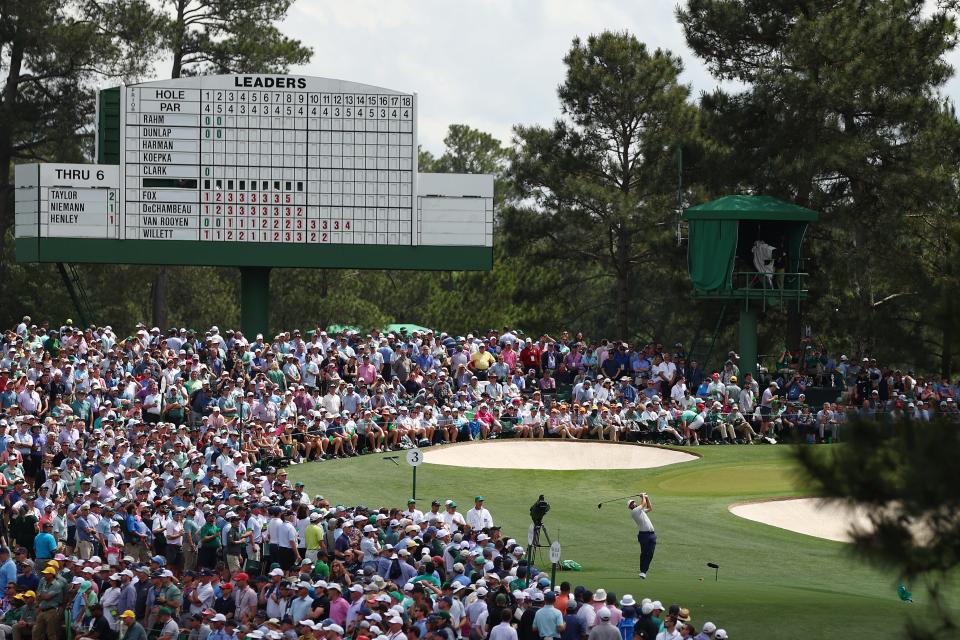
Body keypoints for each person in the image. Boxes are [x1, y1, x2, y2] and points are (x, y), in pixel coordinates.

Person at [628, 495, 656, 579]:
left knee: (650, 554)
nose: (633, 504)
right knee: (644, 553)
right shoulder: (634, 511)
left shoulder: (641, 511)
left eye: (633, 502)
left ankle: (644, 571)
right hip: (644, 535)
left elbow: (650, 508)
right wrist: (643, 496)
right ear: (630, 507)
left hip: (652, 535)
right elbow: (643, 504)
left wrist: (647, 498)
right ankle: (642, 571)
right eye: (631, 504)